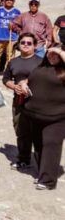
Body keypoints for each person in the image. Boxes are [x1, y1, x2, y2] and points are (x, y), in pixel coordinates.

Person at [24, 47, 65, 190]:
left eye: (56, 55)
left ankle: (48, 181)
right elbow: (29, 80)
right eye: (49, 54)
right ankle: (43, 173)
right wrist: (23, 83)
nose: (52, 56)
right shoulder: (40, 68)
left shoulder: (63, 72)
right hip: (35, 115)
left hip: (57, 117)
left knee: (51, 145)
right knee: (39, 146)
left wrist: (59, 51)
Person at [1, 32, 41, 169]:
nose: (25, 45)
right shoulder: (13, 62)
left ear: (35, 46)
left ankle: (42, 164)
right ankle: (24, 159)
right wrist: (13, 86)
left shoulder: (41, 62)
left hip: (37, 102)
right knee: (21, 131)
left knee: (37, 133)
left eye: (29, 43)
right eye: (23, 42)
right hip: (19, 101)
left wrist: (27, 84)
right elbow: (5, 79)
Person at [0, 0, 21, 75]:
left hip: (12, 38)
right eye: (7, 0)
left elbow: (20, 24)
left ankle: (8, 72)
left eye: (11, 0)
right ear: (4, 1)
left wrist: (14, 27)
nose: (9, 1)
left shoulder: (17, 12)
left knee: (10, 56)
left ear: (14, 1)